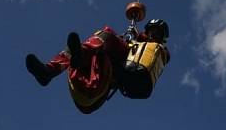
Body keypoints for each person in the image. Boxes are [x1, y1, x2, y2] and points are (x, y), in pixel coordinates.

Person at [25, 19, 170, 114]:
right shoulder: (131, 43)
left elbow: (151, 62)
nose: (154, 34)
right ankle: (48, 71)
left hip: (99, 89)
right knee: (76, 49)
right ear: (147, 31)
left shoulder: (155, 51)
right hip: (84, 80)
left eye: (158, 33)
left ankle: (81, 54)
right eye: (152, 31)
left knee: (106, 36)